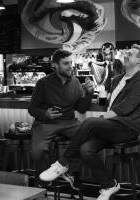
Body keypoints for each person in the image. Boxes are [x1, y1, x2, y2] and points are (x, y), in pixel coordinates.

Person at [39, 44, 140, 200]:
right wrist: (92, 93)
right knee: (85, 150)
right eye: (126, 52)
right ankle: (109, 185)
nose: (125, 55)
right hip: (112, 128)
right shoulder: (117, 79)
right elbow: (108, 102)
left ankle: (62, 163)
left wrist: (103, 118)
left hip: (127, 129)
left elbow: (125, 108)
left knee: (90, 123)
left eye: (130, 54)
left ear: (139, 61)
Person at [28, 49, 95, 186]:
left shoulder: (75, 82)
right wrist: (45, 113)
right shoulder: (43, 83)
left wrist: (89, 93)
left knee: (91, 140)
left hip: (69, 122)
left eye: (71, 62)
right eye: (66, 63)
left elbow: (81, 108)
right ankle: (45, 181)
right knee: (37, 151)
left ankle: (68, 171)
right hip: (46, 123)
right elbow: (32, 109)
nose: (70, 66)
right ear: (55, 65)